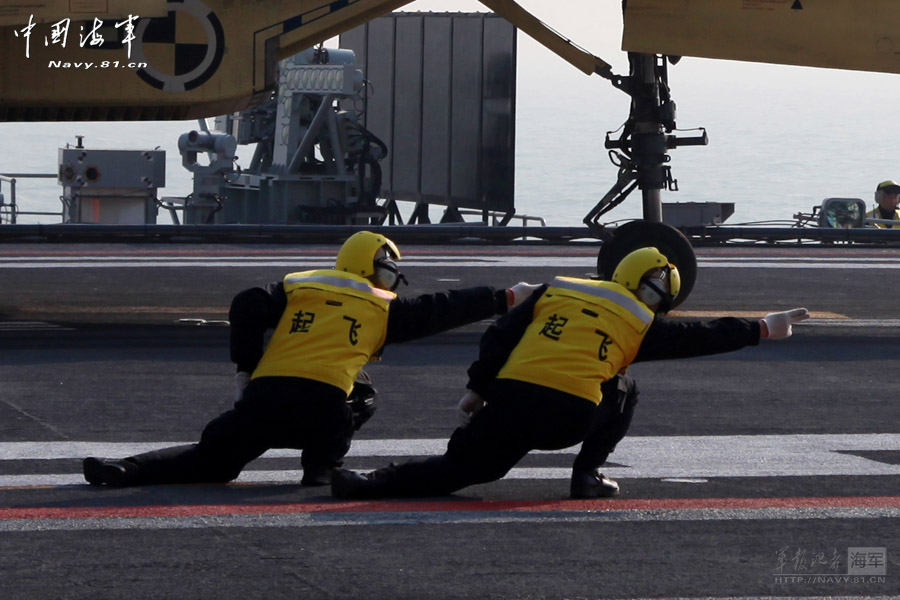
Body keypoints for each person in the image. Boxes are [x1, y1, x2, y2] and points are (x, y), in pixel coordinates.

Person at [331, 246, 809, 499]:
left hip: (509, 401)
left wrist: (477, 390)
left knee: (461, 470)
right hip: (569, 416)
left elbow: (498, 335)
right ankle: (588, 475)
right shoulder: (642, 322)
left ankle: (368, 482)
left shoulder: (552, 290)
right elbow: (704, 335)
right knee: (623, 387)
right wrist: (764, 328)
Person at [83, 230, 540, 487]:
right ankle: (322, 468)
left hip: (262, 399)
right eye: (388, 270)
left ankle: (125, 469)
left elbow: (246, 302)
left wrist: (245, 368)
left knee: (211, 462)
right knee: (363, 396)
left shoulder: (296, 287)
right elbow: (445, 307)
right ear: (376, 267)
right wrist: (508, 296)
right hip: (322, 408)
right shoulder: (383, 308)